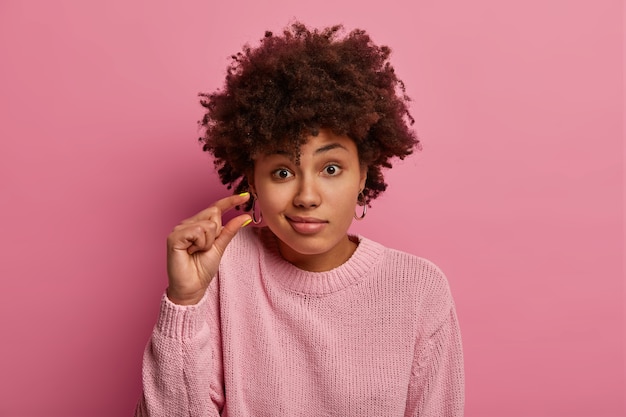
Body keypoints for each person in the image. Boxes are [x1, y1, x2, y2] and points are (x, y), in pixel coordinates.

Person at [135, 22, 464, 417]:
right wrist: (184, 302)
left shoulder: (418, 290)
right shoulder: (223, 268)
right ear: (253, 180)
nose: (307, 197)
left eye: (331, 169)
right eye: (283, 172)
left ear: (362, 173)